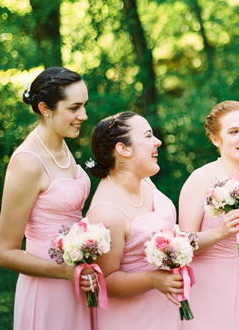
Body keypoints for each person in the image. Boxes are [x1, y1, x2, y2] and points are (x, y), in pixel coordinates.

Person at [0, 67, 93, 330]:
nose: (83, 115)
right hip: (48, 289)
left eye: (84, 106)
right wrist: (65, 272)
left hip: (78, 283)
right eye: (74, 108)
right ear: (45, 108)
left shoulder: (62, 145)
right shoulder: (28, 162)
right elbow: (4, 253)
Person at [178, 100, 239, 330]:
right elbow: (183, 245)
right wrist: (221, 231)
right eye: (234, 132)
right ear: (216, 139)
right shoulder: (201, 179)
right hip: (210, 285)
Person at [87, 111, 182, 330]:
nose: (158, 141)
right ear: (123, 149)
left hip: (165, 310)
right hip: (131, 318)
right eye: (148, 136)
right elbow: (106, 280)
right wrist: (153, 280)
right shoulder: (107, 213)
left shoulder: (146, 182)